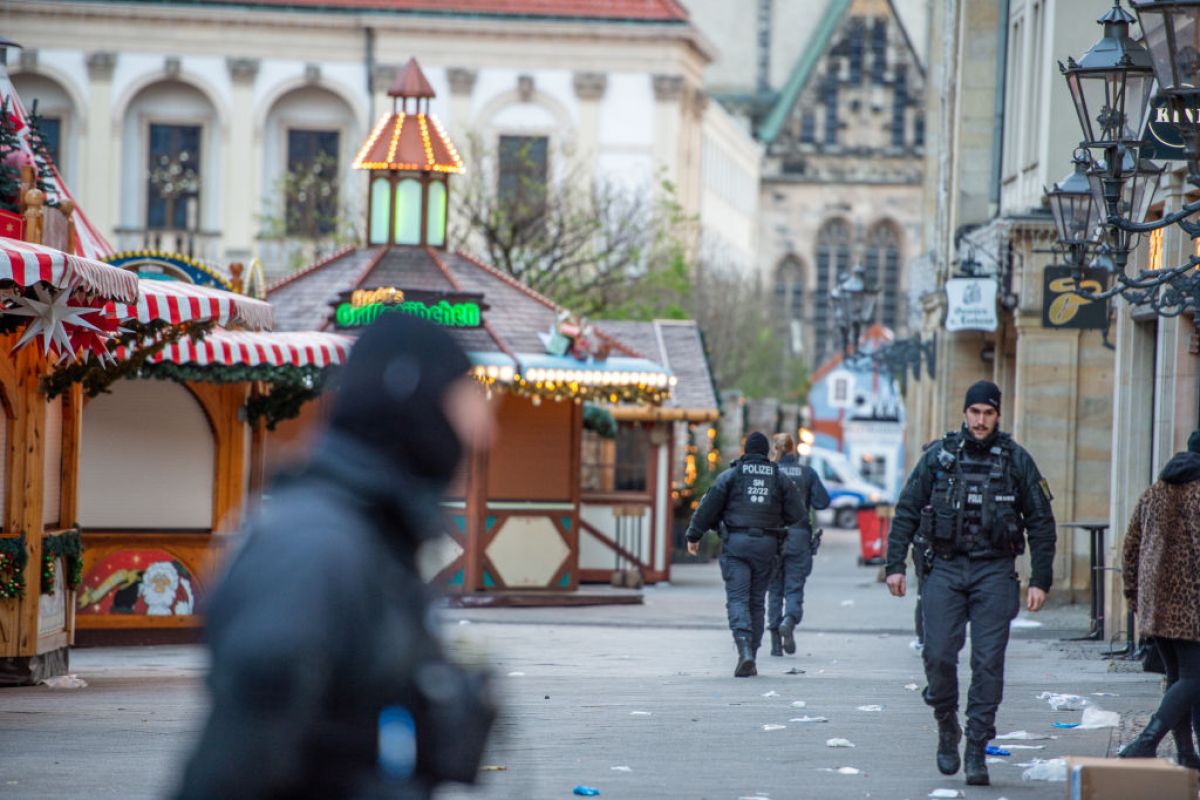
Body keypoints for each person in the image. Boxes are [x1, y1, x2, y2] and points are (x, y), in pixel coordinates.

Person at [175, 314, 498, 800]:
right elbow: (236, 767)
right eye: (463, 402)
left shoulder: (372, 536)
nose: (483, 432)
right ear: (410, 399)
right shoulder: (315, 545)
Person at [885, 380, 1055, 787]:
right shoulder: (939, 458)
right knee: (939, 653)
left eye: (988, 413)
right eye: (975, 412)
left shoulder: (1016, 460)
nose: (981, 421)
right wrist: (894, 565)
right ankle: (947, 723)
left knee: (988, 662)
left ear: (998, 415)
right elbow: (907, 509)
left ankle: (977, 746)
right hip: (944, 568)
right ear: (965, 413)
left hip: (995, 571)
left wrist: (1040, 579)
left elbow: (1041, 523)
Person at [685, 431, 807, 677]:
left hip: (736, 546)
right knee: (756, 601)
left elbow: (708, 506)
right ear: (765, 453)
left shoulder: (731, 475)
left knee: (738, 598)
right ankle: (752, 650)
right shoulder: (779, 478)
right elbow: (798, 514)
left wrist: (693, 536)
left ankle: (744, 650)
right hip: (767, 546)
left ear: (745, 450)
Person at [1118, 430, 1200, 769]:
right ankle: (1147, 740)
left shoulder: (1154, 491)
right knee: (1194, 678)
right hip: (1191, 605)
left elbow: (1129, 547)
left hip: (1155, 604)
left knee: (1176, 678)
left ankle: (1186, 754)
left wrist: (1133, 595)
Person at [766, 433, 830, 657]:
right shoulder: (807, 473)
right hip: (799, 537)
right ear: (794, 449)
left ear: (775, 449)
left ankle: (775, 641)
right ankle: (789, 620)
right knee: (794, 587)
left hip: (773, 537)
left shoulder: (771, 472)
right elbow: (823, 502)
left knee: (774, 589)